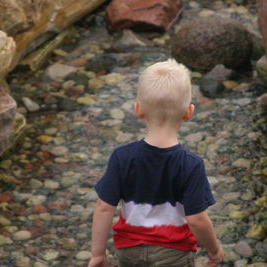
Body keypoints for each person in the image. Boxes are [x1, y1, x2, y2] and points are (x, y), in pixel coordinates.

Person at [88, 59, 224, 267]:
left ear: (138, 109)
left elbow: (104, 208)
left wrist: (97, 253)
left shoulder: (122, 157)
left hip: (128, 250)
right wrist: (214, 250)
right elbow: (197, 219)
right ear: (189, 112)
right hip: (174, 253)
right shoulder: (191, 164)